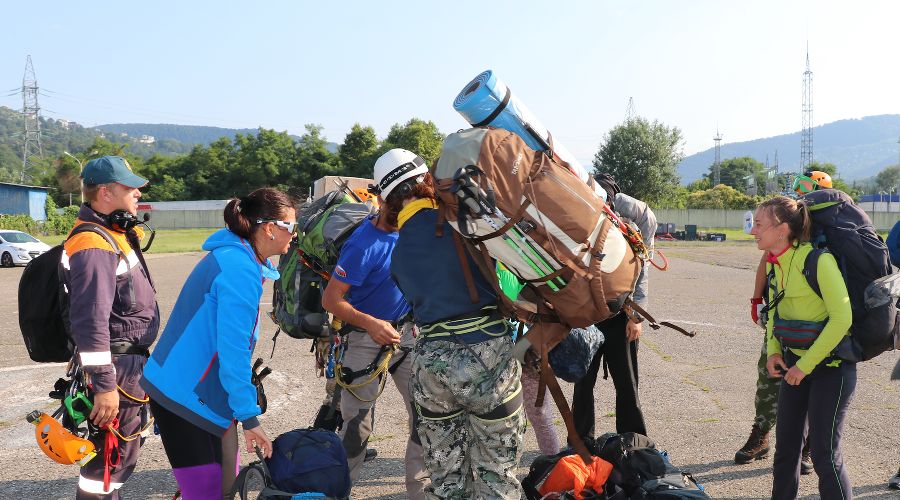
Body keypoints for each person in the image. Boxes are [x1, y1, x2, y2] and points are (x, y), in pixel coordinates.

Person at [385, 149, 526, 499]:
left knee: (447, 480)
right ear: (427, 181)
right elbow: (512, 281)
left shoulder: (398, 249)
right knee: (497, 475)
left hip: (430, 366)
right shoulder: (462, 223)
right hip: (487, 356)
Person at [141, 187, 295, 499]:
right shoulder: (239, 270)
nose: (295, 234)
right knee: (207, 493)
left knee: (225, 487)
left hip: (202, 392)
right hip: (184, 396)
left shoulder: (237, 257)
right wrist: (249, 417)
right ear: (270, 228)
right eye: (291, 226)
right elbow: (233, 352)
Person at [321, 151, 429, 500]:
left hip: (407, 336)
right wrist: (371, 323)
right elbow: (331, 300)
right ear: (390, 198)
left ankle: (421, 493)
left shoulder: (417, 229)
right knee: (357, 429)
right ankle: (339, 493)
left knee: (426, 417)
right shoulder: (363, 244)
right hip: (365, 341)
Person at [63, 156, 160, 499]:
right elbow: (90, 321)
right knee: (107, 464)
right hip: (117, 371)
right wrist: (105, 386)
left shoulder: (112, 235)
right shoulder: (93, 245)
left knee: (114, 460)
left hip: (127, 366)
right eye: (129, 187)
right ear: (105, 193)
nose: (137, 193)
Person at [751, 196, 855, 499]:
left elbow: (842, 318)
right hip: (793, 365)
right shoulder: (777, 263)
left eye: (759, 224)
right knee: (786, 450)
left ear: (782, 230)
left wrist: (804, 366)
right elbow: (775, 311)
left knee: (824, 454)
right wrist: (774, 350)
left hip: (832, 368)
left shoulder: (818, 261)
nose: (752, 231)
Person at [735, 170, 835, 471]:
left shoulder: (822, 231)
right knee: (768, 376)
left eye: (806, 187)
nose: (800, 192)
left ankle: (807, 448)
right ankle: (761, 434)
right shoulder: (784, 222)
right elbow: (766, 263)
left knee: (812, 386)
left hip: (815, 325)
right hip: (781, 319)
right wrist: (757, 299)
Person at [571, 173, 656, 440]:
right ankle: (580, 442)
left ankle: (633, 440)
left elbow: (642, 269)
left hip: (622, 315)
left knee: (627, 384)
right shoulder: (577, 218)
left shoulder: (629, 228)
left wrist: (636, 317)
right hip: (588, 316)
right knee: (583, 384)